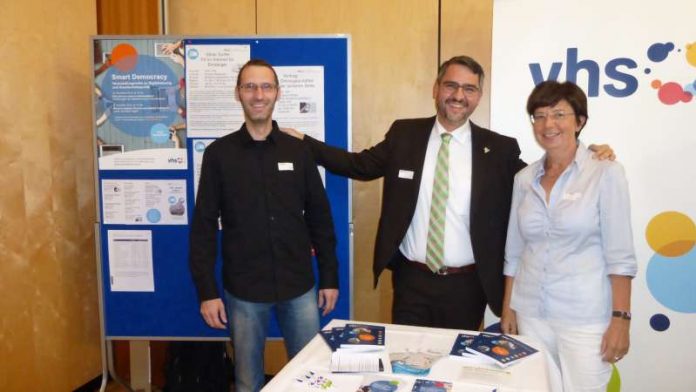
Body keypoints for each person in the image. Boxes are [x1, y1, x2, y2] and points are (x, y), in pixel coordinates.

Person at [282, 55, 614, 331]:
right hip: (411, 279)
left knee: (456, 368)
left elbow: (541, 174)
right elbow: (358, 165)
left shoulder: (497, 149)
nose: (459, 95)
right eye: (451, 85)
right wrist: (303, 143)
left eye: (469, 88)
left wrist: (587, 152)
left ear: (478, 96)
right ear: (436, 89)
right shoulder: (405, 135)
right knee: (407, 362)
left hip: (468, 285)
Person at [189, 59, 340, 392]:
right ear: (238, 94)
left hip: (299, 286)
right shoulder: (218, 154)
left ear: (277, 93)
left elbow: (320, 218)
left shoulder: (299, 151)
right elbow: (202, 227)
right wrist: (207, 292)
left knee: (311, 378)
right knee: (246, 380)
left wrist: (329, 277)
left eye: (266, 86)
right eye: (250, 86)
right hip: (243, 291)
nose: (258, 94)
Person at [500, 81, 636, 391]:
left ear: (580, 121)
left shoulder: (605, 172)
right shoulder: (524, 179)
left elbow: (621, 257)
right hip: (531, 313)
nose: (548, 124)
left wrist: (621, 319)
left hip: (584, 317)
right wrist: (509, 307)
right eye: (539, 115)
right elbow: (515, 252)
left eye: (559, 114)